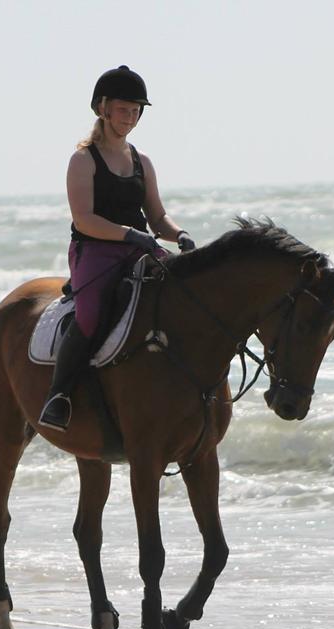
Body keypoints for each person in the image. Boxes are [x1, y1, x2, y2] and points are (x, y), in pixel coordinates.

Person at [38, 65, 195, 432]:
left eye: (136, 110)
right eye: (124, 109)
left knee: (181, 297)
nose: (130, 117)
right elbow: (84, 219)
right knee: (91, 316)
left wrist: (179, 234)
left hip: (139, 248)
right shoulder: (83, 160)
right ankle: (58, 396)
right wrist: (129, 235)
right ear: (103, 109)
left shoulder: (143, 161)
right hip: (96, 252)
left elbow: (157, 217)